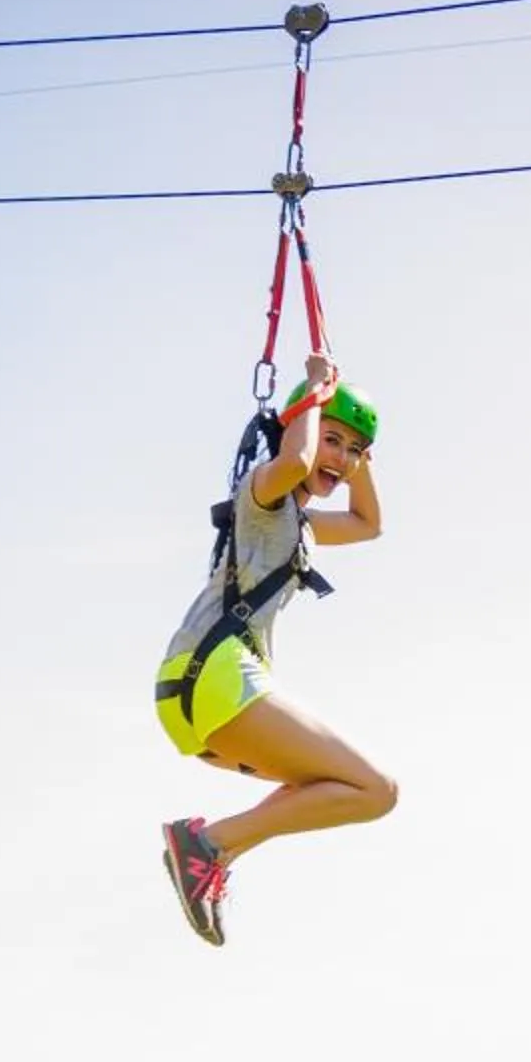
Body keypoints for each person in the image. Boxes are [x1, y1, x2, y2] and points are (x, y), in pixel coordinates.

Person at [156, 354, 396, 944]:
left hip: (198, 688)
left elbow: (368, 523)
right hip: (217, 675)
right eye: (332, 441)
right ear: (298, 425)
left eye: (352, 450)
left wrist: (358, 444)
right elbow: (297, 460)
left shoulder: (302, 526)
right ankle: (209, 845)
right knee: (375, 789)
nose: (338, 458)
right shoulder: (263, 490)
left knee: (350, 791)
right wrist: (312, 395)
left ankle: (211, 849)